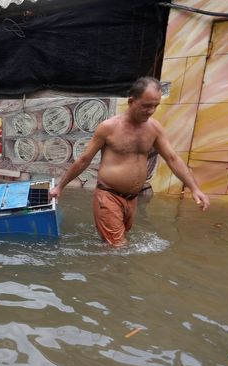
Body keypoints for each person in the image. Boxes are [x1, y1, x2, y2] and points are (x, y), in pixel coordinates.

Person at [49, 76, 210, 246]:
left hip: (132, 200)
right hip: (108, 196)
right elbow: (84, 160)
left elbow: (172, 158)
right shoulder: (108, 127)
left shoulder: (154, 129)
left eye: (155, 106)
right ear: (131, 101)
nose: (151, 111)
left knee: (116, 247)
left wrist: (194, 188)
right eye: (146, 106)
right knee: (118, 248)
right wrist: (60, 187)